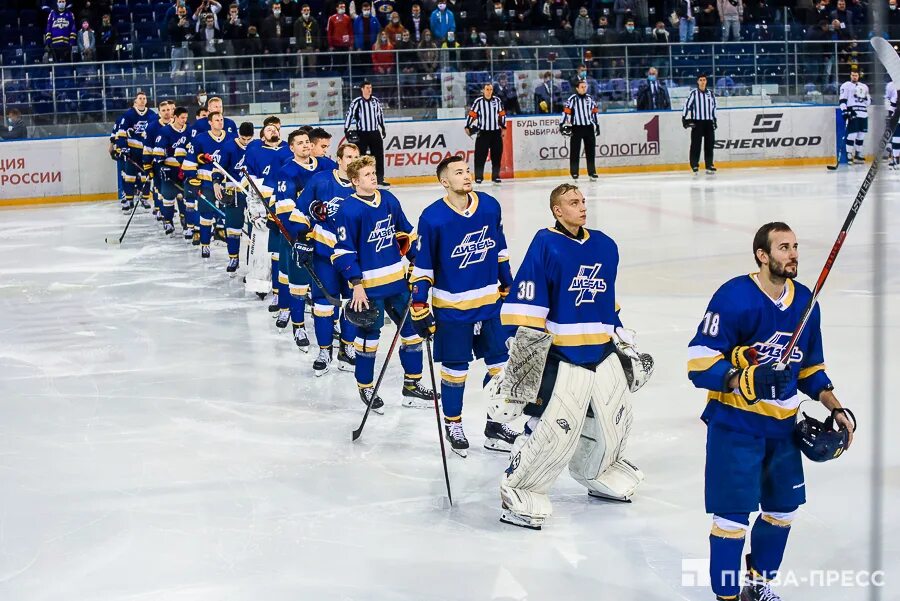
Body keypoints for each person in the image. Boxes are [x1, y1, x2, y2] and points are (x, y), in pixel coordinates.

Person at [686, 222, 855, 601]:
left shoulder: (806, 303)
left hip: (783, 431)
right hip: (736, 427)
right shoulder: (733, 297)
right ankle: (726, 597)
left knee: (783, 511)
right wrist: (742, 379)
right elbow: (698, 362)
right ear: (762, 255)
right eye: (783, 248)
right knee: (731, 518)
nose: (792, 254)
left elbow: (811, 369)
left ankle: (758, 586)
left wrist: (836, 406)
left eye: (795, 246)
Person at [491, 183, 652, 529]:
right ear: (556, 211)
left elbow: (606, 301)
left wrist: (622, 338)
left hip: (601, 349)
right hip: (562, 356)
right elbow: (527, 306)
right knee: (553, 429)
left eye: (582, 201)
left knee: (614, 420)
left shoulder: (605, 246)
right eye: (572, 203)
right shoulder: (546, 244)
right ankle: (520, 488)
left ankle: (600, 470)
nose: (581, 207)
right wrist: (519, 366)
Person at [409, 155, 519, 456]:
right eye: (458, 172)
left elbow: (500, 248)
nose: (467, 175)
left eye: (468, 170)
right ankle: (453, 423)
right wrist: (420, 304)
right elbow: (424, 267)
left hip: (489, 304)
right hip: (452, 308)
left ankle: (495, 425)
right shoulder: (433, 218)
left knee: (500, 366)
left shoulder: (489, 206)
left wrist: (507, 282)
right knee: (455, 369)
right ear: (445, 181)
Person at [334, 155, 435, 412]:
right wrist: (356, 284)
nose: (373, 177)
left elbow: (406, 234)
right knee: (369, 339)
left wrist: (418, 263)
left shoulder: (389, 199)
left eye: (373, 172)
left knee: (412, 333)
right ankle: (365, 386)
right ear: (355, 180)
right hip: (368, 289)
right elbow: (343, 251)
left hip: (398, 283)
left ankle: (412, 386)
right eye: (367, 175)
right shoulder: (348, 209)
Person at [296, 142, 361, 375]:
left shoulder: (362, 186)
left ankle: (347, 348)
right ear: (339, 159)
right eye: (349, 157)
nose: (353, 161)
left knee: (354, 304)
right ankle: (325, 350)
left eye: (357, 157)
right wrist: (302, 238)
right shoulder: (320, 180)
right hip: (324, 255)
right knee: (323, 306)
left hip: (353, 258)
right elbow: (299, 212)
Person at [267, 129, 330, 345]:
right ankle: (298, 325)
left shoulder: (325, 166)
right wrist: (301, 234)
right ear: (291, 148)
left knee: (322, 279)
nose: (305, 146)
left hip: (323, 236)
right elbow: (285, 208)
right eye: (299, 143)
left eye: (307, 142)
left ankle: (328, 322)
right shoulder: (287, 173)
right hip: (298, 236)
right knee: (296, 281)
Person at [242, 119, 293, 301]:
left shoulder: (289, 150)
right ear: (263, 136)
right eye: (268, 129)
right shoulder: (255, 151)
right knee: (262, 248)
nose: (273, 131)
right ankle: (260, 285)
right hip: (264, 207)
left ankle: (285, 289)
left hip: (286, 205)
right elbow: (251, 182)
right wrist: (255, 209)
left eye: (275, 129)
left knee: (284, 250)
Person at [182, 111, 232, 260]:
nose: (220, 122)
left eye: (221, 119)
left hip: (226, 184)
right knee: (206, 216)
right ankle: (205, 245)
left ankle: (229, 243)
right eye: (216, 120)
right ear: (210, 122)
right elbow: (190, 161)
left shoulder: (231, 138)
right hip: (206, 183)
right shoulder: (200, 139)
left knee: (228, 214)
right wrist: (192, 178)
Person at [214, 122, 254, 273]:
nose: (246, 141)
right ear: (238, 134)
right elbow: (219, 168)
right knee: (232, 227)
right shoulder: (228, 147)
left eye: (248, 138)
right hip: (233, 191)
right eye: (243, 138)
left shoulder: (255, 147)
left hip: (252, 192)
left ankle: (253, 263)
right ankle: (233, 257)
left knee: (254, 229)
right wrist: (216, 183)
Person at [114, 92, 158, 212]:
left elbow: (157, 132)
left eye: (144, 98)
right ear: (135, 101)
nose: (142, 100)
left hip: (146, 151)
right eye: (140, 98)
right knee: (129, 176)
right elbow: (121, 131)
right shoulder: (128, 115)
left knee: (146, 175)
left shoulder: (152, 115)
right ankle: (129, 199)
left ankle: (144, 198)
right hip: (132, 151)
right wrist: (123, 147)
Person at [152, 106, 191, 238]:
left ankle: (186, 221)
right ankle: (168, 221)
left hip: (184, 169)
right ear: (175, 117)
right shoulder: (165, 131)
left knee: (185, 197)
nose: (184, 120)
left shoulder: (189, 130)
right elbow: (158, 151)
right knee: (168, 198)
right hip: (170, 169)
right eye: (182, 118)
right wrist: (160, 164)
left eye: (186, 118)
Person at [344, 81, 389, 187]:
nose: (370, 89)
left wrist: (382, 127)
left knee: (378, 156)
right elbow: (350, 115)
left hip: (374, 132)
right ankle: (359, 178)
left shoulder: (375, 101)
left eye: (370, 87)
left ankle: (379, 178)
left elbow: (380, 115)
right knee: (360, 157)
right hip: (362, 133)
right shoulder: (357, 102)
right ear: (362, 89)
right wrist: (346, 129)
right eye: (367, 87)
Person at [141, 100, 175, 224]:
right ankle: (163, 212)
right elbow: (148, 148)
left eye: (168, 110)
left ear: (172, 110)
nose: (167, 113)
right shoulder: (152, 127)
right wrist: (147, 167)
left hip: (176, 166)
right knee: (160, 190)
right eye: (163, 111)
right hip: (158, 165)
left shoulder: (179, 125)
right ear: (159, 113)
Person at [465, 83, 506, 185]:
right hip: (483, 133)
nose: (489, 91)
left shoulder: (497, 100)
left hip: (496, 132)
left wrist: (504, 127)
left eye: (491, 89)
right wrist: (467, 126)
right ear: (483, 90)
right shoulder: (478, 102)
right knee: (480, 156)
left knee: (497, 155)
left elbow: (502, 114)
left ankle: (496, 176)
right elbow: (472, 114)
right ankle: (478, 177)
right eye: (487, 89)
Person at [561, 79, 600, 181]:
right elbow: (566, 112)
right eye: (582, 87)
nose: (584, 88)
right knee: (575, 151)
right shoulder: (572, 99)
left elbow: (594, 112)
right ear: (577, 88)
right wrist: (562, 124)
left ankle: (592, 172)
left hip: (589, 128)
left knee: (590, 151)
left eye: (585, 86)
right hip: (576, 128)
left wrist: (597, 124)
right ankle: (574, 173)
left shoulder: (590, 99)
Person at [682, 73, 717, 175]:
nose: (702, 82)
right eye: (700, 80)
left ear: (706, 81)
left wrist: (715, 119)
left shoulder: (711, 94)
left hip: (708, 122)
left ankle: (709, 165)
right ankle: (694, 165)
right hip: (698, 122)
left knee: (709, 145)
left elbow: (714, 107)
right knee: (696, 145)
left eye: (704, 80)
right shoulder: (693, 93)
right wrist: (683, 118)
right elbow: (687, 106)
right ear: (697, 82)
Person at [839, 68, 870, 165]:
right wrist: (844, 110)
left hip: (863, 113)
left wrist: (864, 97)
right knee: (852, 134)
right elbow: (842, 100)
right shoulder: (846, 85)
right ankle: (849, 154)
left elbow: (868, 102)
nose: (854, 77)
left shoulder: (864, 86)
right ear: (850, 75)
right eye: (852, 75)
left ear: (859, 76)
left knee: (861, 135)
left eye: (856, 75)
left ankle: (858, 154)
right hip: (853, 112)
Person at [295, 4, 321, 70]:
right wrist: (297, 48)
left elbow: (317, 35)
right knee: (299, 67)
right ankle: (299, 79)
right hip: (301, 48)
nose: (306, 12)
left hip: (311, 47)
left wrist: (317, 47)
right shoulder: (298, 22)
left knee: (312, 67)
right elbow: (295, 36)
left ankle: (313, 79)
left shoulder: (314, 21)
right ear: (301, 11)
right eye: (304, 10)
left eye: (308, 10)